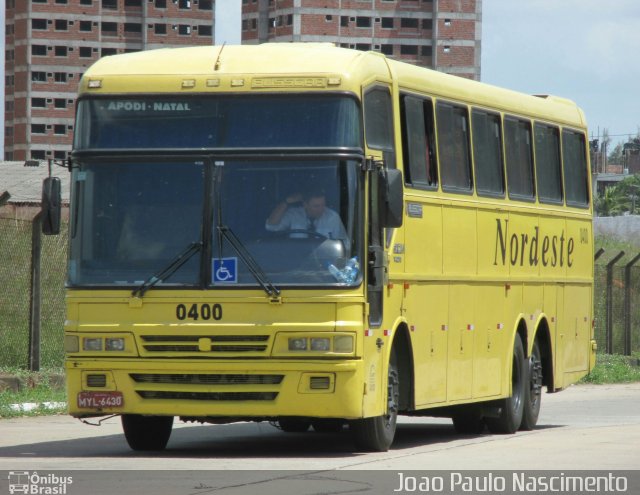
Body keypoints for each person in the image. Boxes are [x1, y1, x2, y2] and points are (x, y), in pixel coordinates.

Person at [265, 191, 349, 247]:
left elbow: (344, 245)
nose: (321, 209)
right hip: (294, 262)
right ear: (305, 205)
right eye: (316, 206)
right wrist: (286, 202)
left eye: (323, 205)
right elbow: (271, 226)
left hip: (323, 263)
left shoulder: (333, 217)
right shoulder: (294, 214)